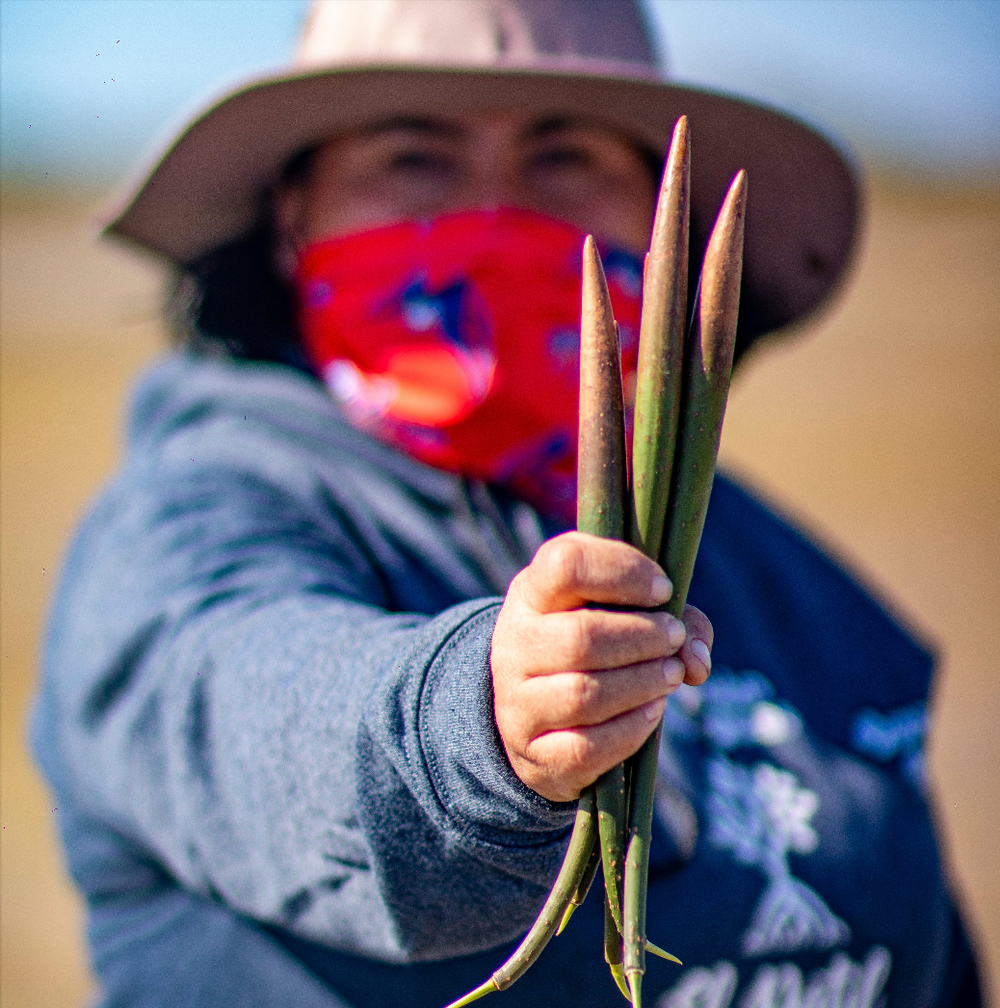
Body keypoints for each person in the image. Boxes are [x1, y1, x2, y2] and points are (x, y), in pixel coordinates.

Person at [33, 2, 981, 1006]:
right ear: (292, 212)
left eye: (565, 155)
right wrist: (481, 726)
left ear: (664, 213)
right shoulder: (192, 519)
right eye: (413, 157)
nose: (500, 208)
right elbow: (245, 704)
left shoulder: (788, 581)